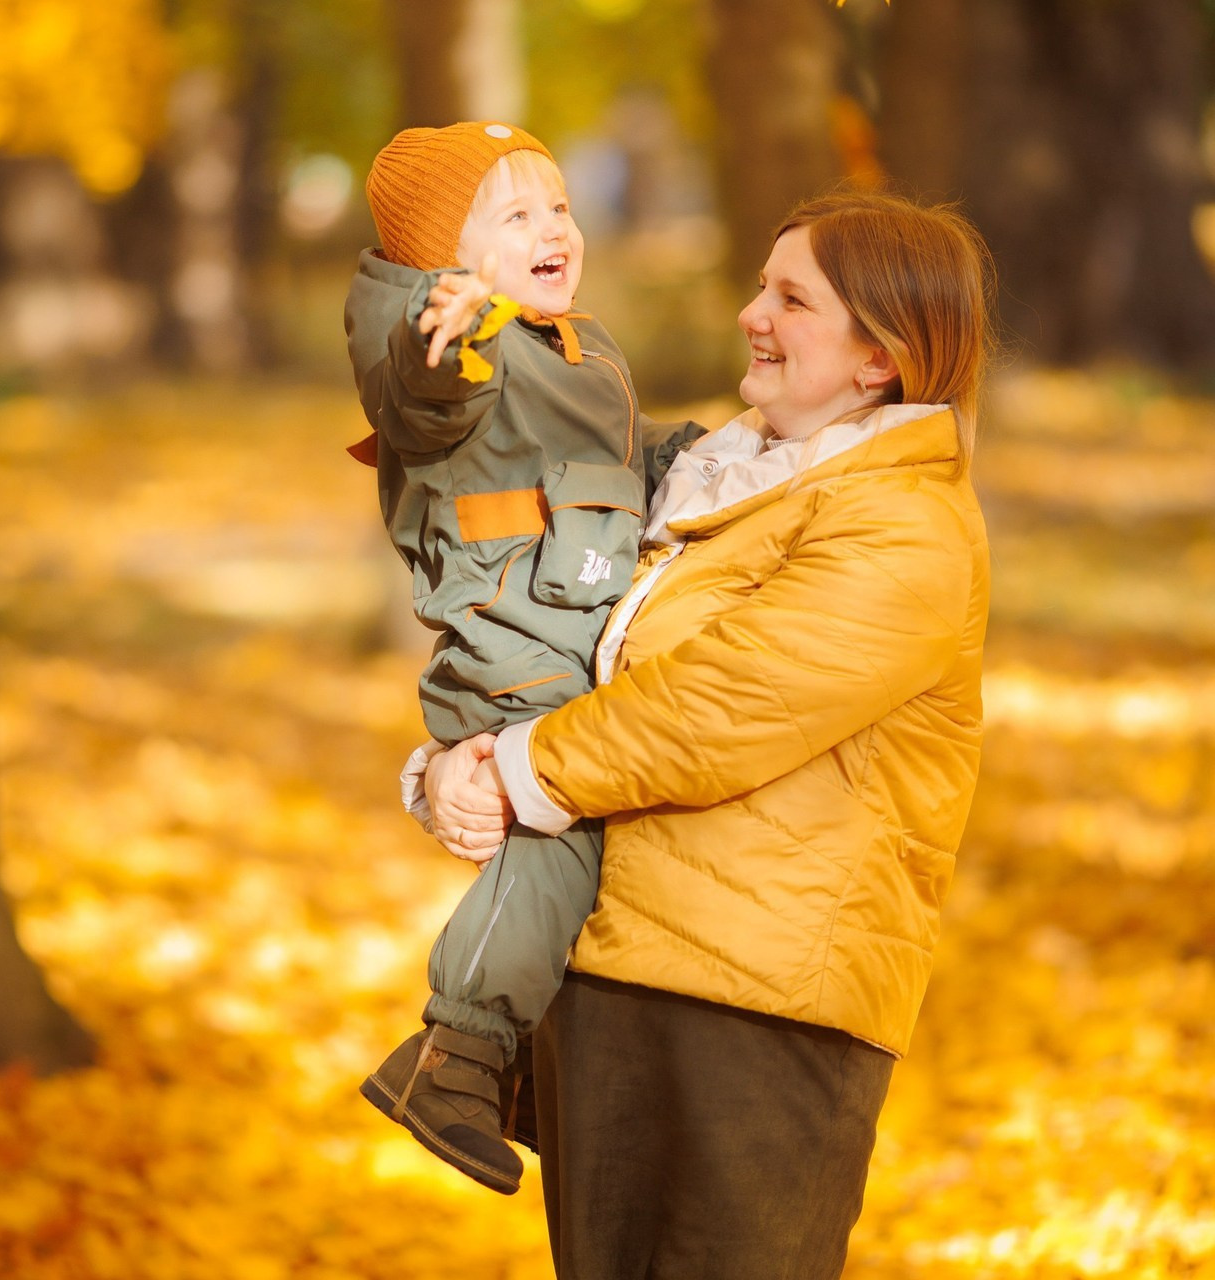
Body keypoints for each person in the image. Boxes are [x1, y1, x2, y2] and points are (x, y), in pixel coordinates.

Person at [424, 188, 994, 1279]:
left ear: (878, 359)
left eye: (790, 297)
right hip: (613, 974)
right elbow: (568, 639)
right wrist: (447, 757)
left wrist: (507, 771)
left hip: (763, 1006)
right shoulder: (716, 487)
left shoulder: (904, 524)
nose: (750, 313)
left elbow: (715, 710)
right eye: (759, 285)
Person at [343, 120, 701, 1196]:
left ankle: (518, 1061)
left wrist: (683, 455)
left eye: (558, 206)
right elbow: (420, 397)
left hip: (562, 637)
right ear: (444, 263)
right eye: (516, 214)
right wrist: (440, 339)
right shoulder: (461, 341)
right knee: (559, 825)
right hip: (511, 651)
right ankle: (454, 1052)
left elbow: (602, 467)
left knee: (596, 853)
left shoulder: (577, 351)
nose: (554, 228)